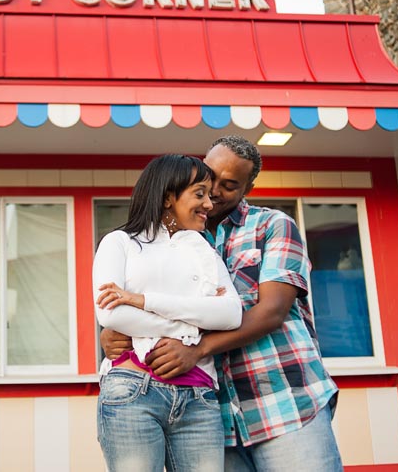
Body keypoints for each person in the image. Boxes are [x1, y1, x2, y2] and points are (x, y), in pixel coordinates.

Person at [101, 136, 343, 472]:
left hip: (283, 400)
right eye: (209, 177)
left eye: (229, 185)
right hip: (212, 413)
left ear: (248, 187)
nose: (213, 191)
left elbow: (272, 312)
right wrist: (117, 331)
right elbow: (146, 305)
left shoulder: (272, 226)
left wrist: (196, 349)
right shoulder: (174, 241)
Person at [93, 154, 243, 472]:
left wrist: (142, 300)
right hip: (132, 391)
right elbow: (112, 316)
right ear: (167, 197)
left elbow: (231, 315)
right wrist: (193, 325)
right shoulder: (119, 243)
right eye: (199, 194)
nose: (209, 204)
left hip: (198, 399)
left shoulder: (204, 252)